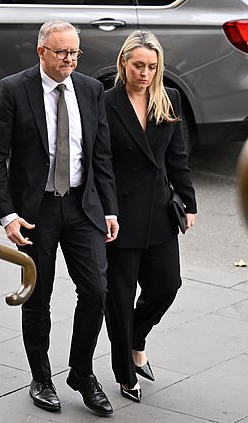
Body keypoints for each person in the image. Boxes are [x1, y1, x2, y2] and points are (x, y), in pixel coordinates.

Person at [0, 20, 119, 415]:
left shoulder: (92, 90)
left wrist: (109, 208)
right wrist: (6, 214)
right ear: (41, 51)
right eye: (62, 53)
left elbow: (102, 156)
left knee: (96, 289)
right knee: (38, 295)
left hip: (81, 206)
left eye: (76, 52)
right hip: (35, 210)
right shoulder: (13, 89)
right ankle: (41, 376)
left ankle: (81, 371)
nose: (71, 60)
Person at [103, 30, 197, 402]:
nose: (145, 73)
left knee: (166, 286)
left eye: (152, 67)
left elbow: (177, 158)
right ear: (124, 62)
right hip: (120, 217)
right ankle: (126, 374)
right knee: (120, 299)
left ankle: (136, 337)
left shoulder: (168, 99)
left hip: (159, 212)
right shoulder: (106, 102)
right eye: (138, 65)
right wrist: (107, 210)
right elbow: (102, 165)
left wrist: (188, 202)